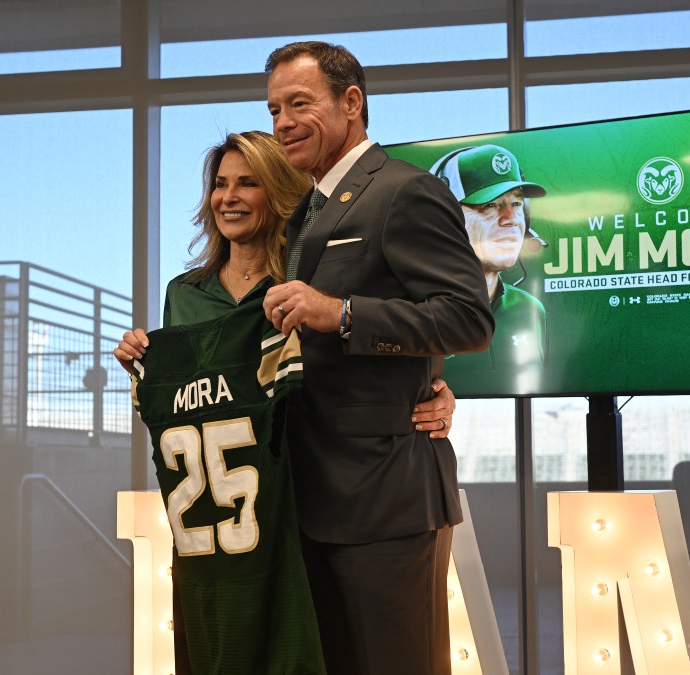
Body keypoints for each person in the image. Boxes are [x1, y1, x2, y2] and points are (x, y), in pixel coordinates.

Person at [113, 131, 459, 674]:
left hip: (311, 493)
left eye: (247, 183)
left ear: (277, 192)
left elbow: (367, 356)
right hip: (228, 527)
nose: (228, 197)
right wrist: (145, 364)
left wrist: (434, 388)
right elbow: (194, 397)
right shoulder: (184, 293)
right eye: (220, 184)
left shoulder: (305, 282)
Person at [261, 41, 495, 675]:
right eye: (275, 109)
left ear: (351, 103)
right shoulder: (303, 213)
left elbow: (468, 318)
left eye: (299, 104)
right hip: (312, 499)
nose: (283, 122)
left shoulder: (404, 191)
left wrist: (341, 313)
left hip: (386, 501)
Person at [431, 144, 549, 395]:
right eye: (490, 205)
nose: (510, 218)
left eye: (516, 203)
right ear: (444, 221)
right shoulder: (418, 313)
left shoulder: (530, 309)